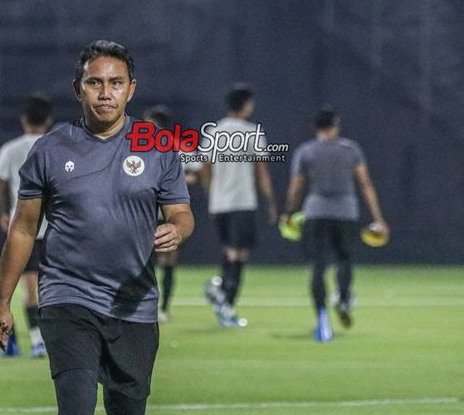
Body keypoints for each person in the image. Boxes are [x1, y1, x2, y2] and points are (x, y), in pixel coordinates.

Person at [0, 40, 194, 415]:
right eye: (94, 83)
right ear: (77, 88)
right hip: (68, 298)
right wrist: (2, 303)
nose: (105, 93)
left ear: (131, 89)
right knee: (77, 405)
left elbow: (181, 212)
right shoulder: (49, 150)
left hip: (134, 304)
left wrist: (177, 229)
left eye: (115, 83)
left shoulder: (159, 147)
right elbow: (22, 229)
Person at [282, 110, 389, 342]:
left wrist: (289, 212)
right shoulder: (350, 150)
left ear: (315, 127)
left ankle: (321, 317)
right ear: (336, 126)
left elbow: (296, 186)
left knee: (318, 267)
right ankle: (342, 296)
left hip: (316, 213)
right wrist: (378, 218)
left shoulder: (306, 151)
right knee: (345, 260)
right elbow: (365, 184)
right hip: (346, 213)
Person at [200, 84, 277, 327]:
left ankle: (220, 292)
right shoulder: (250, 132)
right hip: (242, 202)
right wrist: (270, 202)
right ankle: (226, 304)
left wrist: (212, 195)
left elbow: (205, 168)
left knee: (229, 251)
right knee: (238, 254)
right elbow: (261, 170)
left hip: (220, 203)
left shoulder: (214, 131)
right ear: (245, 105)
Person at [0, 94, 52, 357]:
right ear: (49, 121)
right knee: (47, 288)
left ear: (23, 120)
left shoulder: (11, 149)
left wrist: (3, 214)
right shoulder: (57, 147)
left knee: (28, 286)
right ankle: (38, 340)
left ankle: (20, 339)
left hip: (24, 228)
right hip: (55, 229)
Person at [142, 105, 199, 323]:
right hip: (147, 212)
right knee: (149, 263)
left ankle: (163, 308)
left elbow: (195, 173)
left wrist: (172, 184)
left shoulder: (175, 147)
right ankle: (151, 307)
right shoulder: (139, 146)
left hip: (166, 212)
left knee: (167, 261)